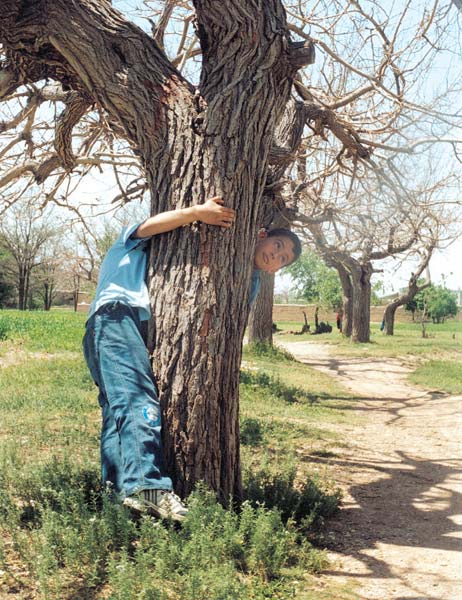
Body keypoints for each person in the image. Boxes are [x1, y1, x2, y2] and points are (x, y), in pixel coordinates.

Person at [82, 197, 301, 521]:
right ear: (262, 234)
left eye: (282, 260)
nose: (276, 257)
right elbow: (149, 227)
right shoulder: (129, 247)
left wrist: (253, 267)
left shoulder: (248, 277)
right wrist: (198, 213)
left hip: (115, 329)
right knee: (137, 400)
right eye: (278, 246)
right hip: (115, 319)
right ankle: (148, 487)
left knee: (116, 416)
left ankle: (118, 504)